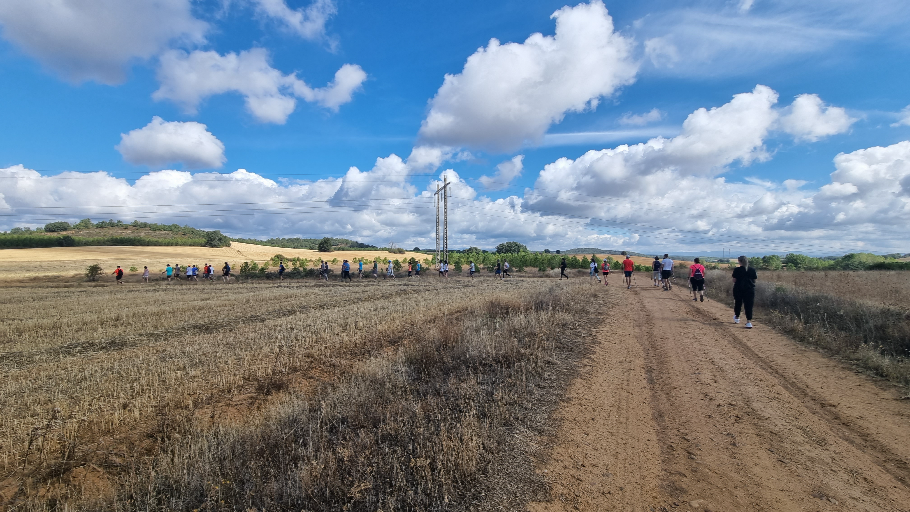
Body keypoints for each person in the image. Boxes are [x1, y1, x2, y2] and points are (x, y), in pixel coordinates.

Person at [732, 255, 757, 328]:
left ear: (739, 261)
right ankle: (749, 322)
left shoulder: (737, 270)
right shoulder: (752, 270)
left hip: (738, 289)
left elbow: (734, 280)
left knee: (738, 303)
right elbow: (754, 280)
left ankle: (737, 317)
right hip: (749, 289)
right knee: (749, 305)